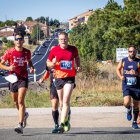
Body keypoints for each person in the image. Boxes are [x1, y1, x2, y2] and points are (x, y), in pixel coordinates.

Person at [0, 32, 34, 134]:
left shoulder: (27, 52)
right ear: (14, 41)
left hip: (23, 78)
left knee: (20, 101)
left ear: (23, 40)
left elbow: (29, 61)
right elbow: (1, 64)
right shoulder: (9, 52)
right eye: (17, 39)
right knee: (15, 101)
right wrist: (9, 67)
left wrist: (31, 67)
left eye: (20, 39)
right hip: (12, 78)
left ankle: (20, 124)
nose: (19, 41)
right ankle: (24, 115)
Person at [47, 32, 80, 133]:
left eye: (65, 39)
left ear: (67, 39)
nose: (63, 41)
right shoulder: (55, 50)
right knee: (61, 103)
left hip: (70, 78)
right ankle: (66, 118)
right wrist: (52, 64)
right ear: (58, 40)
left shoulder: (73, 49)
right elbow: (47, 62)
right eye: (61, 39)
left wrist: (78, 65)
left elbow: (77, 58)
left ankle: (61, 125)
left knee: (66, 101)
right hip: (58, 78)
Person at [116, 45, 140, 129]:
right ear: (128, 52)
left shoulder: (138, 61)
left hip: (137, 86)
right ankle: (129, 108)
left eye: (133, 51)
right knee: (126, 102)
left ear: (136, 52)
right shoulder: (124, 60)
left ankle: (134, 122)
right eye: (130, 51)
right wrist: (121, 76)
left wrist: (137, 74)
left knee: (136, 105)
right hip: (126, 85)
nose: (132, 53)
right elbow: (118, 69)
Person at [38, 66, 60, 133]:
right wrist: (42, 79)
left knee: (63, 104)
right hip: (53, 85)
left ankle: (66, 118)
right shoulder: (49, 61)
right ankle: (56, 125)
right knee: (54, 104)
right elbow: (48, 71)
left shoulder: (63, 56)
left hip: (63, 83)